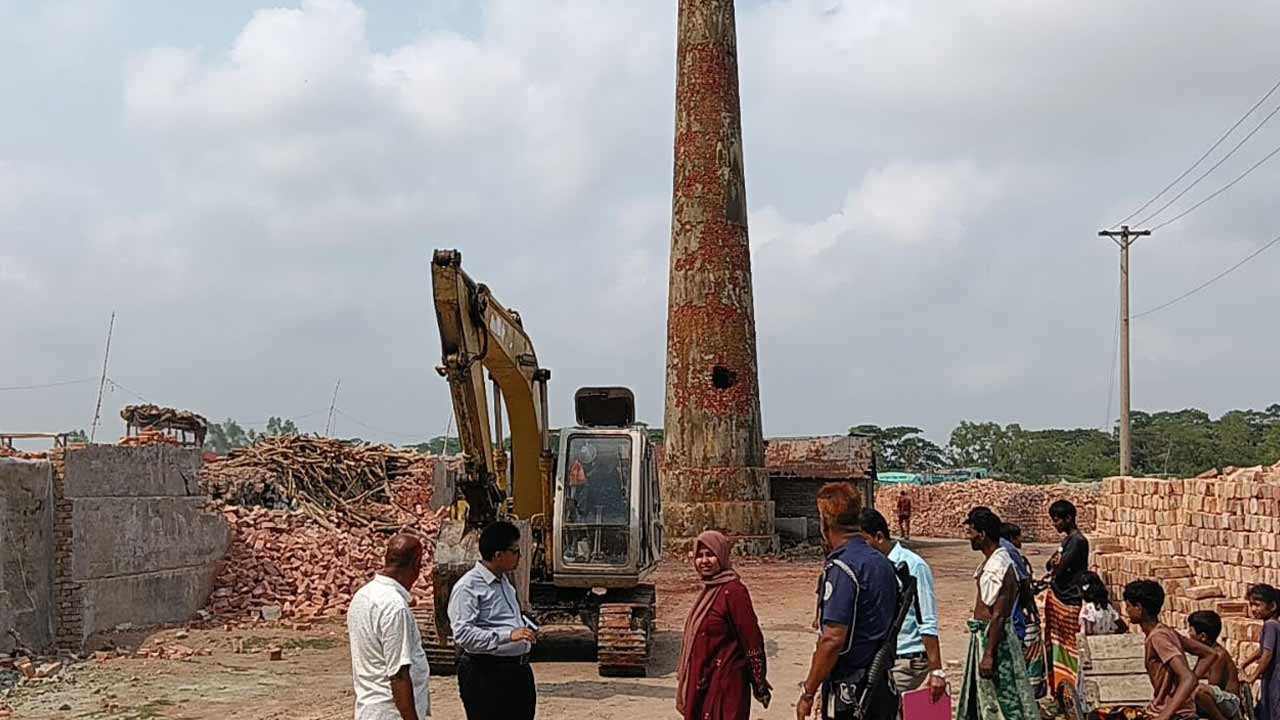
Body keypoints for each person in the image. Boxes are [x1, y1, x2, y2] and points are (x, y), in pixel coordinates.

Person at [797, 482, 898, 720]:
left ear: (824, 522)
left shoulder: (843, 568)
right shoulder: (881, 561)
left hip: (852, 692)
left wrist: (808, 692)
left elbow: (832, 639)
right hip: (881, 686)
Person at [447, 521, 538, 720]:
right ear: (498, 555)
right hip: (486, 673)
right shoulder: (468, 587)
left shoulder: (505, 582)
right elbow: (462, 634)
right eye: (515, 551)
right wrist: (508, 636)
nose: (520, 557)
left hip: (517, 671)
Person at [676, 530, 771, 720]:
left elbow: (751, 640)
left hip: (725, 684)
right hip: (703, 680)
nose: (704, 561)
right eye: (700, 556)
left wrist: (759, 684)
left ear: (722, 556)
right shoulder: (708, 592)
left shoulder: (734, 592)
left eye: (710, 555)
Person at [956, 507, 1040, 720]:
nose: (970, 538)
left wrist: (989, 654)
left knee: (1003, 701)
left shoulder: (999, 566)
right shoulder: (992, 560)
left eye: (971, 532)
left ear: (982, 534)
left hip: (995, 641)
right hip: (986, 637)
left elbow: (999, 615)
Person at [860, 509, 948, 704]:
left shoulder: (913, 566)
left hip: (907, 661)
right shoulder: (871, 567)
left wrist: (937, 671)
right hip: (884, 658)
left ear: (879, 537)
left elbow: (927, 618)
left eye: (864, 541)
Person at [347, 534, 431, 720]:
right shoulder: (394, 607)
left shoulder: (363, 595)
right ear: (416, 564)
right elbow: (399, 675)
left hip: (370, 710)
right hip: (391, 713)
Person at [1122, 580, 1197, 720]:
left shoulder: (1158, 637)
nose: (1127, 611)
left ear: (1139, 607)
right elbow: (1208, 654)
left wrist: (1164, 715)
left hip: (1174, 714)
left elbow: (1189, 678)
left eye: (1128, 606)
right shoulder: (1165, 631)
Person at [1043, 499, 1088, 700]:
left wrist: (1054, 565)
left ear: (1068, 518)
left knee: (1070, 647)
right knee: (1057, 645)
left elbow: (1058, 567)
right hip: (1061, 595)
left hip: (1069, 598)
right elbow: (1049, 564)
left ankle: (1073, 690)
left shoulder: (1078, 541)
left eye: (1057, 520)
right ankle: (1061, 689)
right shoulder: (1067, 540)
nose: (1055, 524)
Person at [1000, 523, 1045, 699]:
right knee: (1028, 657)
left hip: (1014, 615)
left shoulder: (1002, 552)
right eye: (1019, 537)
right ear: (1012, 537)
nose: (1021, 541)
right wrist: (1031, 608)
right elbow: (1024, 585)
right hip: (1019, 617)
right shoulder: (1012, 554)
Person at [1181, 610, 1242, 720]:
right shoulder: (1206, 652)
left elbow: (1214, 685)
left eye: (1191, 630)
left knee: (1200, 692)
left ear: (1203, 636)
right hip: (1218, 696)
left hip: (1230, 701)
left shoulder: (1218, 655)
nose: (1188, 633)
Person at [1241, 583, 1280, 720]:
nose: (1253, 609)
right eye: (1251, 605)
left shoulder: (1271, 625)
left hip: (1275, 678)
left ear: (1273, 606)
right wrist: (1245, 663)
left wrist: (1253, 676)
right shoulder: (1271, 625)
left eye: (1257, 605)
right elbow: (1262, 649)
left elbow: (1267, 654)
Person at [1078, 571, 1125, 636]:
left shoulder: (1088, 609)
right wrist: (1110, 633)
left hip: (1093, 645)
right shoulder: (1108, 607)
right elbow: (1122, 627)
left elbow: (1088, 631)